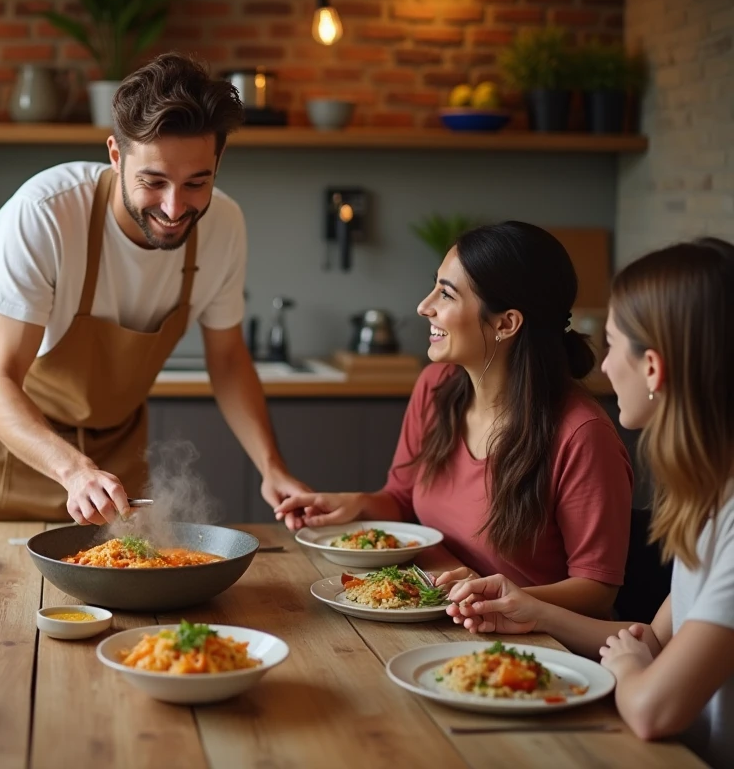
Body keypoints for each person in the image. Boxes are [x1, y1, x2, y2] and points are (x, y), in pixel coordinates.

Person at [0, 53, 309, 525]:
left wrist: (272, 468)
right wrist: (73, 470)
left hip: (113, 448)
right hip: (9, 441)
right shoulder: (44, 214)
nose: (174, 208)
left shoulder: (224, 226)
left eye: (196, 183)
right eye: (154, 181)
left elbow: (228, 359)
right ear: (115, 155)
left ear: (218, 162)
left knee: (123, 568)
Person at [445, 237, 734, 766]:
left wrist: (627, 666)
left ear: (653, 368)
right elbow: (651, 640)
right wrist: (531, 609)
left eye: (613, 343)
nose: (603, 364)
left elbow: (652, 709)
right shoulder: (711, 500)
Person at [275, 222, 633, 618]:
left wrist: (500, 597)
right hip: (442, 613)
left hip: (533, 641)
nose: (423, 306)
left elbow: (597, 590)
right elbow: (402, 499)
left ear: (506, 324)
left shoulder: (582, 436)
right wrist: (354, 504)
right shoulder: (435, 387)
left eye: (446, 294)